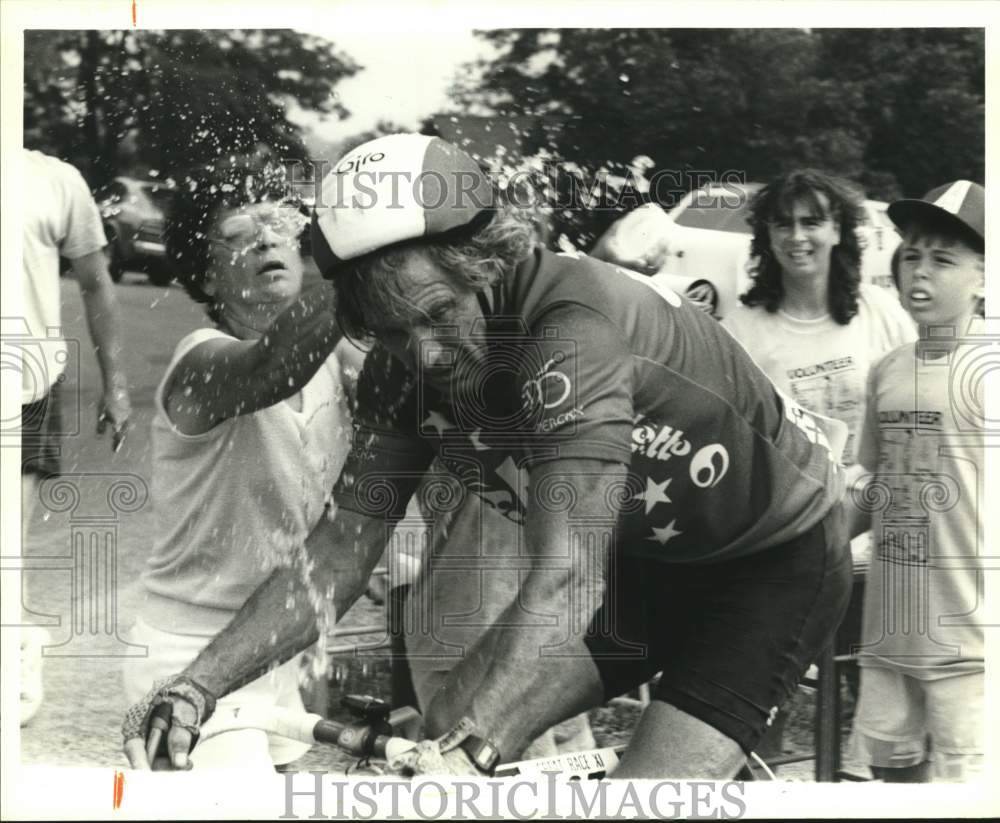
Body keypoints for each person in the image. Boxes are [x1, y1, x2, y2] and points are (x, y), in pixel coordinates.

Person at [123, 134, 852, 779]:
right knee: (442, 735)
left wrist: (477, 749)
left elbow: (566, 573)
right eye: (389, 330)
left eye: (439, 313)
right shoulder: (399, 370)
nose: (426, 353)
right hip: (645, 567)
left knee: (627, 796)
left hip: (768, 561)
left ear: (486, 262)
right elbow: (340, 550)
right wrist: (198, 684)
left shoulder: (569, 332)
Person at [120, 163, 352, 770]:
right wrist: (360, 254)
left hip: (278, 639)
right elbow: (272, 370)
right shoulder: (198, 362)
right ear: (206, 276)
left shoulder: (336, 365)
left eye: (278, 228)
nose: (268, 240)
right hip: (188, 650)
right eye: (239, 237)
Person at [719, 171, 916, 754]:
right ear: (765, 236)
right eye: (783, 222)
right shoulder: (743, 331)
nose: (797, 236)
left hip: (876, 550)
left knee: (886, 722)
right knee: (760, 704)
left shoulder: (880, 314)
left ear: (839, 232)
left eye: (813, 221)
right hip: (784, 547)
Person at [846, 180, 986, 782]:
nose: (919, 272)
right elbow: (869, 484)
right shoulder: (887, 370)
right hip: (890, 635)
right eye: (910, 255)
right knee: (890, 785)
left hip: (974, 648)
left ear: (983, 276)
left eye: (942, 259)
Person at [15, 148, 132, 726]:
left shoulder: (56, 179)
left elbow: (94, 283)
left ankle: (16, 652)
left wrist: (116, 385)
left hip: (23, 388)